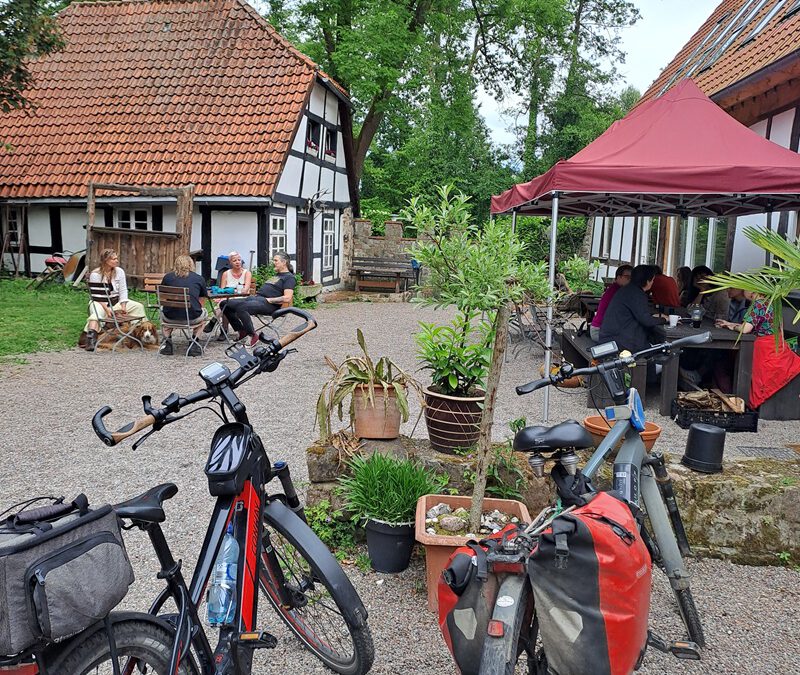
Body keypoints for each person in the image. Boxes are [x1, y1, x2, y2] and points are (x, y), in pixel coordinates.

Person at [716, 292, 800, 408]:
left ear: (753, 290)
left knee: (759, 381)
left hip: (765, 348)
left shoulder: (758, 305)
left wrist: (734, 327)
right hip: (776, 345)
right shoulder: (772, 303)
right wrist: (730, 324)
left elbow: (745, 329)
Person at [223, 252, 296, 346]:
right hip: (257, 299)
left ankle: (252, 335)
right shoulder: (276, 275)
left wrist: (270, 300)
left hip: (269, 305)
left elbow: (287, 298)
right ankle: (242, 331)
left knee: (242, 307)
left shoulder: (289, 278)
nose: (273, 262)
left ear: (284, 262)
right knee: (225, 303)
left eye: (276, 260)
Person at [84, 248, 146, 350]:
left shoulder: (119, 271)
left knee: (138, 307)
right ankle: (91, 340)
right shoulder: (96, 274)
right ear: (106, 260)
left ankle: (139, 335)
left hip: (115, 301)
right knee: (97, 314)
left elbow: (123, 290)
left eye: (117, 258)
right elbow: (97, 296)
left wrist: (123, 306)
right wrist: (107, 309)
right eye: (113, 259)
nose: (116, 261)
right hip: (100, 302)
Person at [599, 265, 666, 354]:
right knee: (656, 351)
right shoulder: (637, 294)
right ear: (647, 281)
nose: (653, 283)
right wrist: (664, 319)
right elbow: (646, 321)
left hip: (609, 338)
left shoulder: (626, 290)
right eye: (653, 280)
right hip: (619, 342)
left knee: (652, 345)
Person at [159, 254, 209, 356]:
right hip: (192, 318)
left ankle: (167, 344)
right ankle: (194, 344)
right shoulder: (199, 278)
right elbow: (202, 299)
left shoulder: (167, 277)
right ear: (191, 265)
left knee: (163, 311)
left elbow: (163, 298)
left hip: (170, 318)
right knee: (204, 316)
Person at [204, 250, 252, 341]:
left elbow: (245, 290)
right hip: (228, 298)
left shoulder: (247, 273)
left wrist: (231, 291)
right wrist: (228, 293)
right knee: (225, 304)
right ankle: (224, 329)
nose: (238, 262)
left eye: (239, 260)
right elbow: (222, 290)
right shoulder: (226, 274)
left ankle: (216, 323)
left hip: (242, 298)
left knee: (225, 305)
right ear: (230, 263)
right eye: (234, 260)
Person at [589, 265, 632, 341]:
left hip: (600, 330)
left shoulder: (615, 289)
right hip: (600, 331)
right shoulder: (618, 291)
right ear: (618, 277)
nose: (630, 280)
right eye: (627, 277)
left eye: (632, 277)